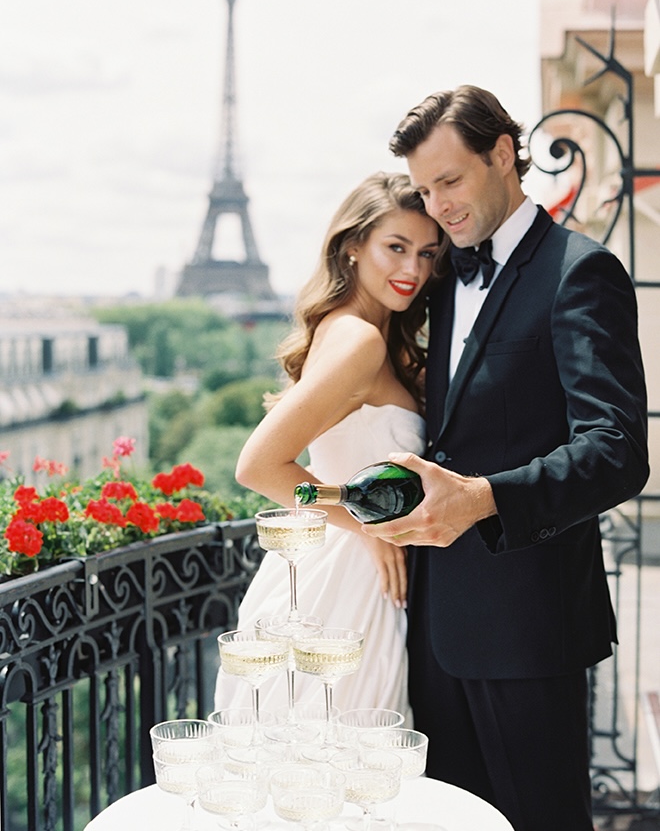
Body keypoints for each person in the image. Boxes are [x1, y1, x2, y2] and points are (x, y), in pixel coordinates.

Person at [361, 86, 649, 831]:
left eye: (449, 181)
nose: (438, 206)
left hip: (529, 627)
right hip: (432, 625)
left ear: (500, 154)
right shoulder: (442, 277)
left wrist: (485, 497)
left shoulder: (581, 271)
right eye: (425, 190)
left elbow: (618, 450)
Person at [214, 171, 445, 718]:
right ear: (352, 247)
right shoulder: (360, 340)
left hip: (345, 575)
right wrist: (366, 526)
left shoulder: (358, 331)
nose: (413, 270)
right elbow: (259, 466)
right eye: (396, 247)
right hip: (346, 584)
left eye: (427, 253)